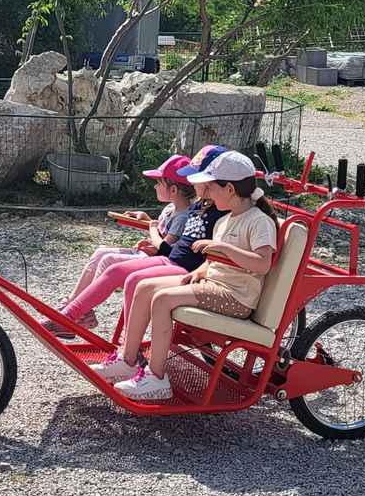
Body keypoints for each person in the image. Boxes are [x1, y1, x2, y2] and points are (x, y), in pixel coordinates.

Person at [102, 150, 279, 401]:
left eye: (211, 187)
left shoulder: (258, 222)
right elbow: (214, 262)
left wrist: (224, 248)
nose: (206, 193)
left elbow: (263, 264)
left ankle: (156, 377)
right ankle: (128, 360)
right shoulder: (226, 220)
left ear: (229, 189)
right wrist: (198, 271)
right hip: (215, 284)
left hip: (236, 296)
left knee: (162, 299)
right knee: (144, 287)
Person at [46, 147, 230, 339]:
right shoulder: (200, 207)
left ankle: (119, 342)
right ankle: (69, 315)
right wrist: (150, 225)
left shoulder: (213, 212)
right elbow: (176, 244)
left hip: (179, 265)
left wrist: (152, 229)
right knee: (111, 264)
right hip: (171, 260)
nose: (193, 184)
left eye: (196, 179)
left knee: (119, 268)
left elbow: (171, 248)